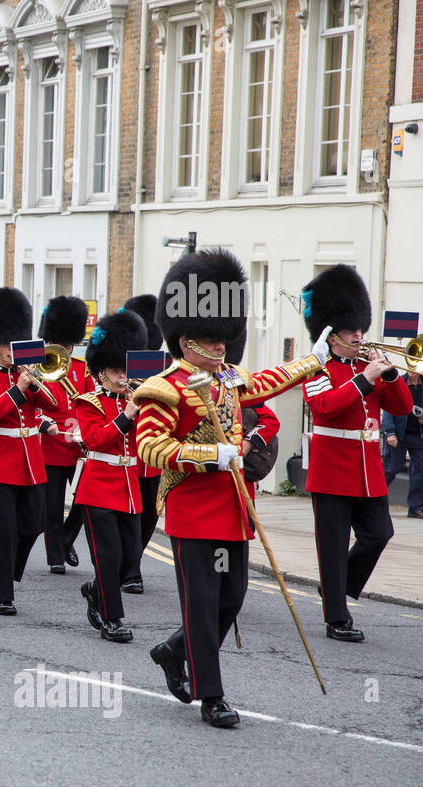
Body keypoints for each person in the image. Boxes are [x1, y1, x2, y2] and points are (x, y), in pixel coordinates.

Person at [136, 249, 328, 728]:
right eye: (211, 341)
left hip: (233, 509)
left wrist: (315, 359)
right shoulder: (165, 388)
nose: (222, 348)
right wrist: (209, 456)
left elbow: (270, 379)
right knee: (202, 607)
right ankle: (211, 696)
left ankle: (172, 652)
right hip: (192, 512)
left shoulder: (230, 380)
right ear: (186, 340)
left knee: (231, 599)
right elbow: (150, 448)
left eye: (224, 341)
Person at [300, 265, 415, 642]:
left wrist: (390, 374)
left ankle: (335, 588)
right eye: (351, 331)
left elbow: (400, 407)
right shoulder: (317, 368)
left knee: (379, 534)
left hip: (368, 469)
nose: (358, 336)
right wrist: (364, 379)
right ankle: (337, 617)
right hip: (332, 470)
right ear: (331, 336)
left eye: (359, 329)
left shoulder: (369, 366)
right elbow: (325, 406)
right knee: (331, 549)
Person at [0, 287, 60, 615]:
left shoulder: (23, 373)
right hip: (0, 461)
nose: (11, 351)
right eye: (7, 346)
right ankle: (3, 594)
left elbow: (55, 403)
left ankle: (9, 572)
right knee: (5, 530)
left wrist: (36, 381)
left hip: (31, 460)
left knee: (33, 525)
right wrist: (19, 388)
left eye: (15, 344)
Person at [74, 309, 147, 643]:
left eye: (124, 369)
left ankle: (95, 590)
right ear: (102, 372)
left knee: (130, 557)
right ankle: (112, 620)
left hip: (129, 487)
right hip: (98, 487)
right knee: (108, 556)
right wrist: (127, 416)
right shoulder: (88, 402)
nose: (122, 376)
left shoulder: (136, 400)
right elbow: (96, 439)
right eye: (116, 370)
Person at [37, 295, 91, 575]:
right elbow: (32, 405)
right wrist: (44, 424)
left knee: (84, 501)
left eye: (69, 344)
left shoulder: (82, 369)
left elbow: (93, 401)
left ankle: (65, 539)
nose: (67, 349)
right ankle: (55, 556)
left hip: (78, 446)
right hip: (51, 445)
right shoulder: (40, 368)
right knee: (52, 507)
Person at [119, 293, 163, 593]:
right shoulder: (119, 364)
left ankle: (130, 561)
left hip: (155, 453)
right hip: (130, 452)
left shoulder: (163, 366)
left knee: (150, 515)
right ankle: (131, 571)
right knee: (131, 514)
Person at [382, 370, 423, 518]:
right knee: (391, 468)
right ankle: (372, 500)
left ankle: (415, 508)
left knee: (420, 470)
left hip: (417, 435)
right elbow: (388, 408)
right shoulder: (398, 382)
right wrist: (390, 432)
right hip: (399, 434)